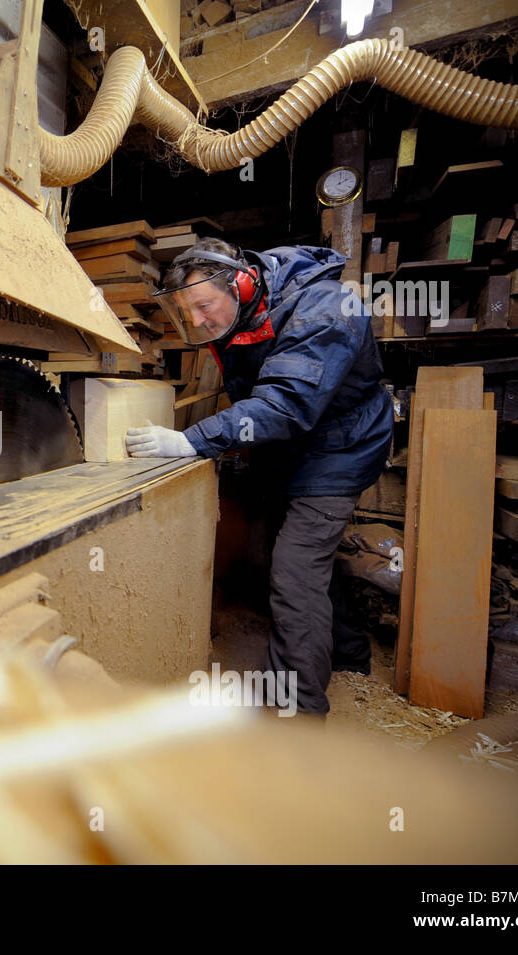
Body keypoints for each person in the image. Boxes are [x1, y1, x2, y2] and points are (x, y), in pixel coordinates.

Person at [125, 237, 393, 717]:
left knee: (294, 571)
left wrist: (193, 440)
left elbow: (287, 402)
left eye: (204, 307)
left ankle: (297, 712)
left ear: (243, 282)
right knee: (297, 558)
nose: (199, 322)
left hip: (342, 446)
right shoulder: (243, 310)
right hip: (294, 444)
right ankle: (350, 656)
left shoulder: (327, 308)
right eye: (188, 314)